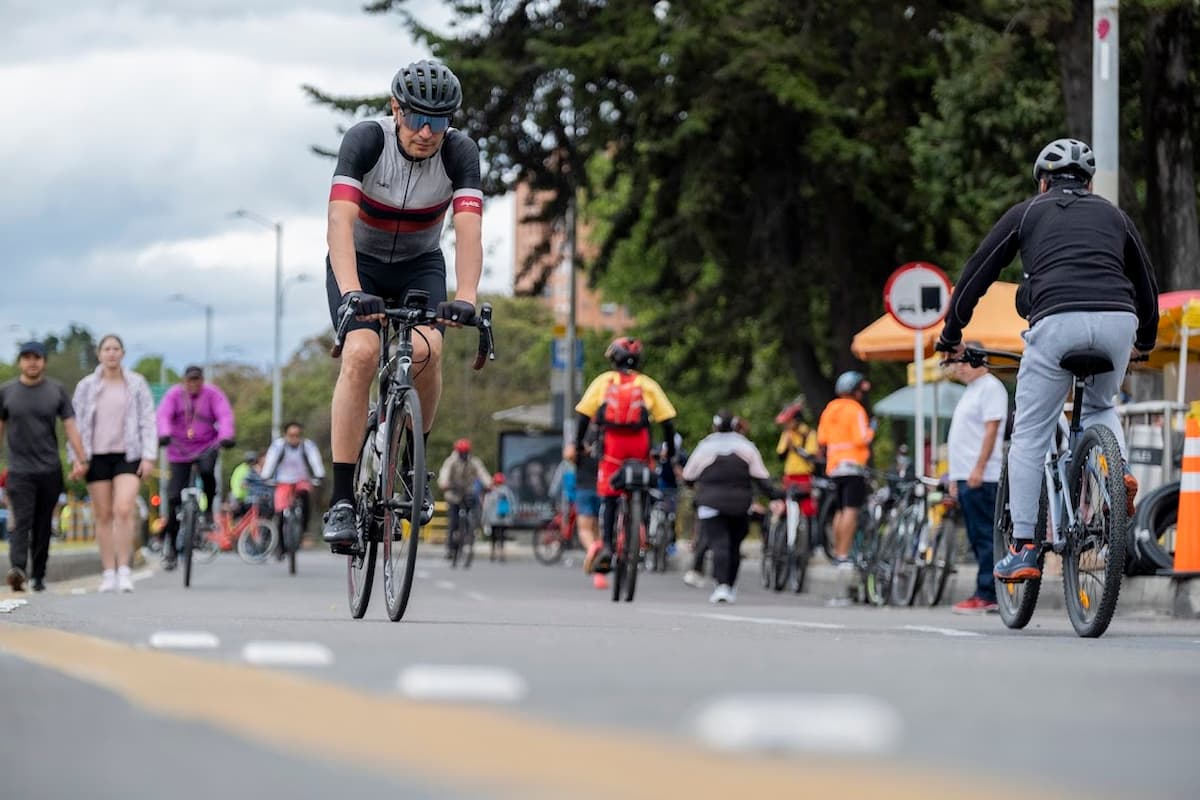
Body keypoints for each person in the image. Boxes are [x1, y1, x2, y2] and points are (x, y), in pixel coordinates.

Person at [936, 138, 1159, 583]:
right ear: (1090, 183)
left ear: (1043, 182)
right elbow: (1146, 282)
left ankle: (1023, 546)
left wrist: (951, 335)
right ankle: (1120, 478)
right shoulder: (1115, 216)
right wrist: (1144, 341)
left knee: (1030, 433)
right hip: (1119, 320)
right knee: (1100, 406)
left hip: (1055, 321)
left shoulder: (1028, 212)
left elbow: (979, 270)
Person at [321, 59, 484, 547]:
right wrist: (351, 291)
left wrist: (467, 298)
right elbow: (338, 223)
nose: (428, 132)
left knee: (428, 350)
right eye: (418, 119)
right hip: (361, 263)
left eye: (441, 121)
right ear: (396, 110)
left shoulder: (459, 152)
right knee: (362, 354)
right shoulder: (366, 140)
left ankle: (415, 463)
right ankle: (343, 497)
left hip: (419, 263)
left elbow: (470, 231)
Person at [572, 337, 677, 575]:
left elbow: (583, 416)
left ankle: (608, 546)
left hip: (612, 446)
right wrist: (669, 450)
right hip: (639, 445)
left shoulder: (603, 381)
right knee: (644, 485)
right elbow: (667, 421)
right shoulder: (646, 384)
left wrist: (579, 445)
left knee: (610, 496)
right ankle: (643, 528)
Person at [70, 334, 157, 593]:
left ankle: (124, 569)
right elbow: (74, 422)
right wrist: (76, 458)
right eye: (106, 349)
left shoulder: (136, 383)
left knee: (124, 509)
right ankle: (108, 571)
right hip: (95, 456)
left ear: (122, 353)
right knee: (103, 514)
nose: (111, 353)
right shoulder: (86, 386)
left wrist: (149, 456)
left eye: (115, 348)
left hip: (128, 454)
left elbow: (148, 420)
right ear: (99, 354)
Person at [0, 342, 88, 592]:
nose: (32, 362)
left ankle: (38, 574)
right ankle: (18, 568)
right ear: (20, 362)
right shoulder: (6, 392)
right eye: (27, 357)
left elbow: (70, 427)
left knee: (42, 525)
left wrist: (81, 459)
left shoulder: (56, 391)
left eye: (36, 357)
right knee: (20, 522)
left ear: (44, 362)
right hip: (18, 470)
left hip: (49, 468)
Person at [682, 410, 782, 604]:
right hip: (740, 504)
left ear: (715, 426)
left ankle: (722, 585)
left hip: (710, 503)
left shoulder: (706, 446)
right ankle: (729, 584)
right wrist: (777, 495)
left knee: (720, 544)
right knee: (734, 546)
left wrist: (699, 489)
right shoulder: (746, 447)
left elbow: (688, 476)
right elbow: (762, 479)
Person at [944, 341, 1009, 614]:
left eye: (961, 361)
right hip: (966, 474)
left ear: (975, 360)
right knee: (975, 534)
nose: (957, 367)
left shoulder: (991, 387)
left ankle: (988, 592)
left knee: (984, 535)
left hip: (982, 475)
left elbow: (991, 430)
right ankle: (985, 590)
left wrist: (979, 468)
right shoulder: (971, 391)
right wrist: (955, 476)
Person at [156, 365, 236, 570]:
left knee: (208, 474)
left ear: (202, 380)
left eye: (197, 380)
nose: (193, 384)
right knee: (173, 497)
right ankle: (171, 549)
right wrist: (163, 434)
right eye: (190, 380)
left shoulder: (213, 394)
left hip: (206, 447)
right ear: (184, 381)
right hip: (179, 449)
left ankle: (208, 509)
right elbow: (163, 415)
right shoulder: (174, 395)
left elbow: (224, 415)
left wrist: (226, 436)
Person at [816, 371, 874, 564]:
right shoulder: (855, 410)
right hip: (853, 467)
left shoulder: (830, 409)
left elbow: (822, 439)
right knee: (851, 510)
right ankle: (843, 554)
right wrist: (872, 429)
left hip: (834, 467)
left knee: (840, 510)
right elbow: (862, 438)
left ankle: (837, 551)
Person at [261, 421, 325, 536]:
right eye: (291, 435)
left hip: (301, 480)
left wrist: (320, 474)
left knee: (306, 498)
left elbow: (315, 460)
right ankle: (280, 543)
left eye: (297, 435)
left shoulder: (307, 445)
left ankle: (304, 530)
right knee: (280, 511)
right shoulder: (278, 446)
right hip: (283, 481)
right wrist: (265, 476)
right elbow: (271, 461)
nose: (294, 438)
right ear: (285, 435)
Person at [437, 438, 492, 558]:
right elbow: (444, 472)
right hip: (453, 493)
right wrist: (444, 483)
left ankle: (469, 531)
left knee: (472, 513)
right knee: (453, 523)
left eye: (466, 452)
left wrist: (488, 484)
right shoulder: (451, 461)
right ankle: (450, 549)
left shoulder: (473, 461)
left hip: (467, 492)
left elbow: (482, 472)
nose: (464, 455)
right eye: (462, 452)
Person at [565, 426, 605, 589]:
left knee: (585, 529)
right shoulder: (607, 434)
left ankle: (592, 548)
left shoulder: (582, 434)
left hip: (584, 488)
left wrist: (580, 452)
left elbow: (568, 454)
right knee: (597, 530)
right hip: (603, 487)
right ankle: (599, 574)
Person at [775, 398, 820, 517]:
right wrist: (787, 447)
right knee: (786, 508)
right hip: (790, 476)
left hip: (804, 476)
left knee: (808, 509)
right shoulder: (787, 433)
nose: (786, 425)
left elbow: (811, 456)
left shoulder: (809, 433)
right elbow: (780, 455)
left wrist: (795, 448)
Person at [481, 471, 515, 562]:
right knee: (502, 537)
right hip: (503, 519)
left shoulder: (491, 491)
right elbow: (512, 505)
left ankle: (493, 553)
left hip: (492, 520)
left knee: (493, 537)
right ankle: (502, 554)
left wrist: (484, 519)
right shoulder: (507, 491)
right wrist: (511, 518)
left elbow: (486, 506)